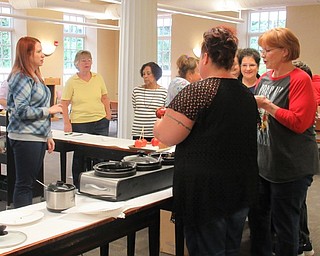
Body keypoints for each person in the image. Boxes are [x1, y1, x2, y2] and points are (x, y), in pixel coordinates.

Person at [153, 26, 259, 255]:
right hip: (239, 186)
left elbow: (166, 135)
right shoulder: (245, 95)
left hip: (206, 193)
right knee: (230, 249)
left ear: (206, 57)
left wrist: (158, 121)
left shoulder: (198, 91)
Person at [249, 27, 319, 256]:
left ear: (285, 52)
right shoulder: (266, 78)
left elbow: (300, 122)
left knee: (285, 226)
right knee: (259, 222)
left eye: (268, 50)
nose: (264, 55)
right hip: (265, 165)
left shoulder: (300, 80)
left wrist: (268, 105)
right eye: (263, 50)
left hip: (291, 168)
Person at [6, 36, 62, 208]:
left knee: (29, 182)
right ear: (27, 55)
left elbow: (40, 106)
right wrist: (50, 111)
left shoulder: (36, 77)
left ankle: (27, 222)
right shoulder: (21, 77)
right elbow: (21, 111)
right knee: (24, 184)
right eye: (38, 52)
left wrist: (48, 135)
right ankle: (23, 224)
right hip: (24, 136)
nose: (42, 55)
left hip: (36, 136)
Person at [61, 50, 111, 189]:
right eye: (83, 60)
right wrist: (66, 123)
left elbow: (105, 97)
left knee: (101, 153)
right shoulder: (72, 81)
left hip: (100, 121)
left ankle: (101, 183)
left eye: (89, 60)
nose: (87, 62)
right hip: (80, 122)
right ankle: (79, 184)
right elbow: (64, 103)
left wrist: (108, 114)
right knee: (81, 155)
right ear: (77, 64)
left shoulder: (98, 77)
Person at [291, 60, 315, 256]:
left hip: (299, 163)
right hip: (296, 163)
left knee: (296, 205)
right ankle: (303, 240)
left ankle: (302, 241)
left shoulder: (305, 97)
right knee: (297, 204)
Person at [131, 62, 167, 141]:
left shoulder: (163, 92)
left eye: (148, 73)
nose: (145, 76)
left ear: (155, 75)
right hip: (138, 132)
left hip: (154, 133)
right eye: (143, 74)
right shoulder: (136, 91)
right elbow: (136, 108)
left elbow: (165, 114)